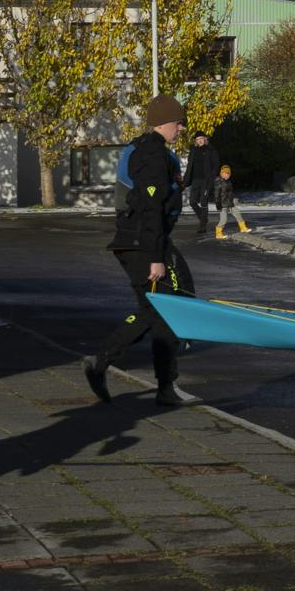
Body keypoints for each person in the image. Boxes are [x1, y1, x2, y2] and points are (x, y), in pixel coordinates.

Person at [86, 95, 193, 408]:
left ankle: (163, 387)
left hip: (145, 242)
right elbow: (150, 209)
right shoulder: (152, 154)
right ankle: (102, 361)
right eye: (179, 122)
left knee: (164, 310)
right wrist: (156, 257)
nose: (182, 128)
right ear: (165, 122)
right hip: (142, 244)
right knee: (162, 309)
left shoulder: (153, 150)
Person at [185, 127, 225, 239]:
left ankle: (202, 225)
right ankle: (203, 218)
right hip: (195, 179)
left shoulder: (211, 150)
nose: (199, 140)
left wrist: (211, 177)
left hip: (206, 180)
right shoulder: (193, 150)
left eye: (201, 138)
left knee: (203, 201)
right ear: (196, 141)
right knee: (192, 201)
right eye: (197, 139)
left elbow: (216, 165)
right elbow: (189, 166)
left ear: (205, 139)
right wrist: (186, 179)